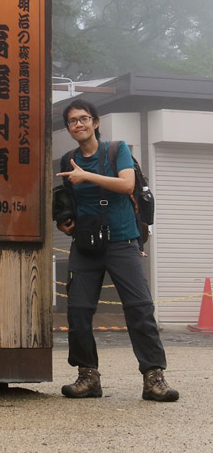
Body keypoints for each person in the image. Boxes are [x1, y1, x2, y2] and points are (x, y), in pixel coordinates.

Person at [56, 99, 179, 402]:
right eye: (72, 121)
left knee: (139, 309)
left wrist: (87, 176)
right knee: (79, 312)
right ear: (68, 127)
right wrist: (64, 220)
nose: (79, 125)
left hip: (123, 240)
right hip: (86, 245)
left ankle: (154, 378)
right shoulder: (67, 158)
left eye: (84, 119)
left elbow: (127, 185)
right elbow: (67, 199)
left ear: (95, 122)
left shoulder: (117, 149)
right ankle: (88, 376)